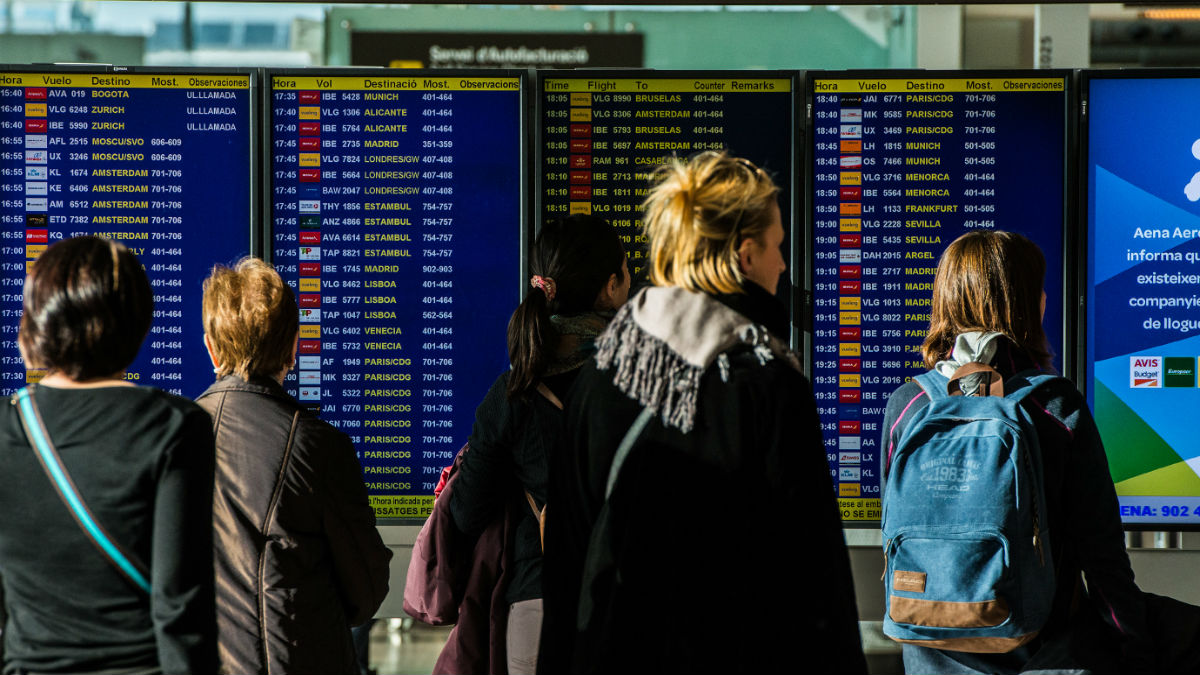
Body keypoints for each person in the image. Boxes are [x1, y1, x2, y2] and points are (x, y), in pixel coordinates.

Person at [539, 151, 866, 674]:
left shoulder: (604, 374)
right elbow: (814, 581)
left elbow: (565, 566)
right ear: (743, 255)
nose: (783, 265)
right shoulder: (766, 384)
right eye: (777, 246)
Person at [881, 230, 1154, 674]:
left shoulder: (906, 405)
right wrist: (1136, 650)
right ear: (1029, 304)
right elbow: (1101, 556)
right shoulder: (1053, 406)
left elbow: (892, 533)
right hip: (1042, 654)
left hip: (928, 651)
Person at [0, 235, 216, 674]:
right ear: (137, 319)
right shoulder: (175, 425)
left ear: (37, 319)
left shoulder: (7, 425)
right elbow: (180, 606)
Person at [447, 214, 629, 675]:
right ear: (611, 287)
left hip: (537, 605)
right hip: (628, 603)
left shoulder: (513, 393)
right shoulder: (642, 381)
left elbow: (466, 513)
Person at [196, 257, 392, 675]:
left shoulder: (168, 440)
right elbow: (366, 588)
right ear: (293, 347)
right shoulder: (320, 446)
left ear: (211, 347)